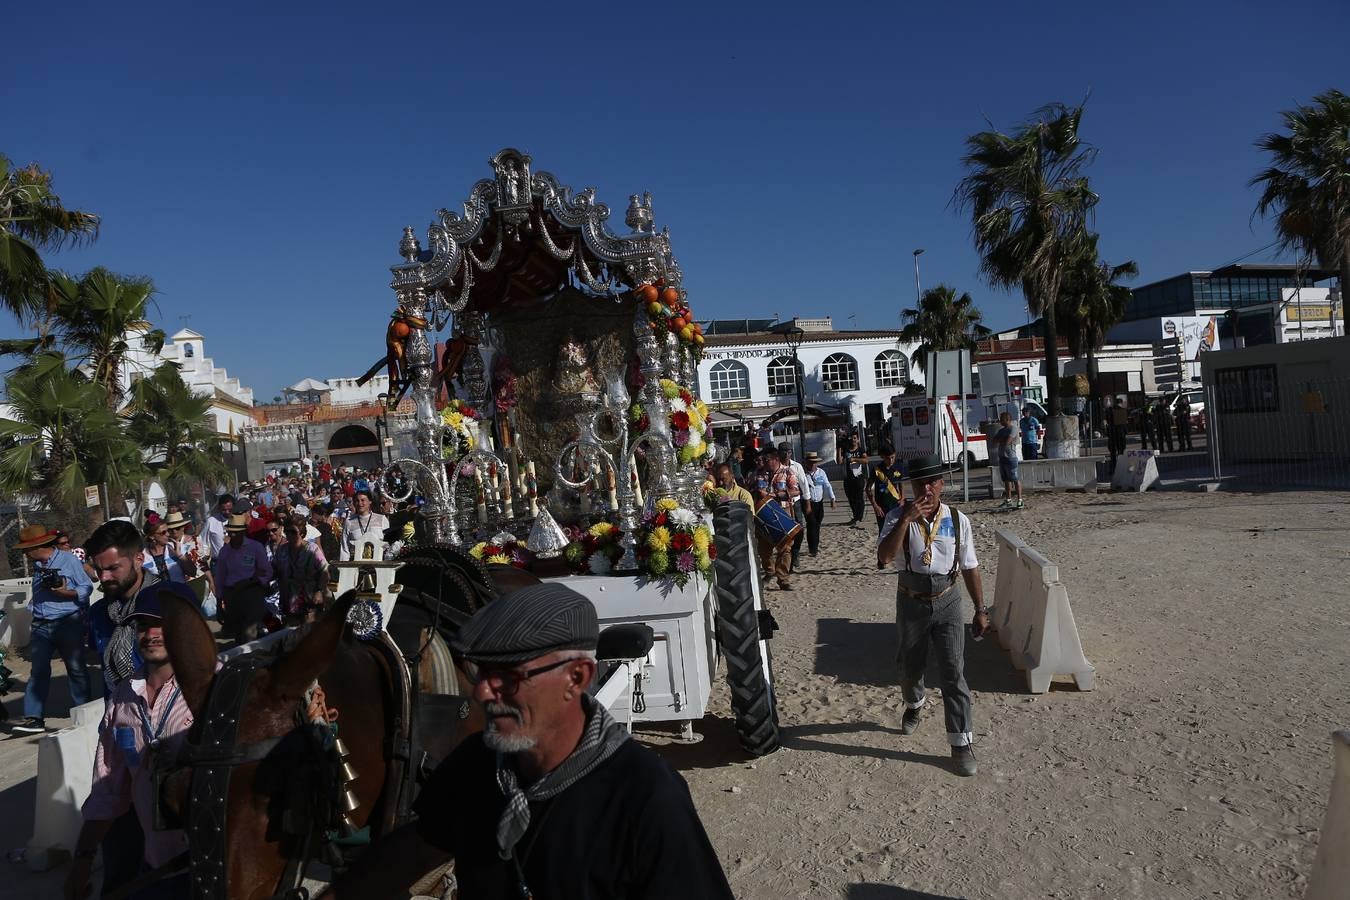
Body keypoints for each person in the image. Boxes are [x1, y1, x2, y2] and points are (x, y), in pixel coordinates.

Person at [322, 583, 734, 900]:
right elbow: (415, 848)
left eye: (509, 677)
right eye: (481, 673)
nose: (483, 692)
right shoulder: (477, 765)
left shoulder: (644, 796)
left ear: (576, 679)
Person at [66, 582, 197, 900]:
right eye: (143, 625)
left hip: (211, 866)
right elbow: (108, 788)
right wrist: (82, 860)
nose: (151, 633)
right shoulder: (123, 696)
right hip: (156, 867)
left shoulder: (218, 690)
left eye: (162, 624)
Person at [876, 454, 987, 777]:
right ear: (910, 486)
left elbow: (970, 566)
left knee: (954, 672)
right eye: (919, 483)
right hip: (911, 600)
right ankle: (913, 704)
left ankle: (961, 742)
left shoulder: (957, 518)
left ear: (941, 484)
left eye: (932, 482)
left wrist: (980, 609)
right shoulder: (897, 516)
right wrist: (905, 521)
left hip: (948, 598)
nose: (926, 489)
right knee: (910, 669)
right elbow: (884, 558)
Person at [9, 526, 94, 735]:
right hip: (40, 624)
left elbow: (87, 586)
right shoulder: (37, 565)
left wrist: (67, 593)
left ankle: (85, 715)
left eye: (26, 549)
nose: (24, 554)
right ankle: (34, 719)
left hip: (67, 621)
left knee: (76, 669)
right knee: (38, 671)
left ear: (38, 547)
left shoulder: (69, 560)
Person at [215, 513, 273, 642]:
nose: (232, 535)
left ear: (244, 531)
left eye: (236, 532)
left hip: (251, 593)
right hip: (232, 595)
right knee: (238, 633)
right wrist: (219, 602)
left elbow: (267, 572)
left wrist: (252, 581)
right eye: (231, 532)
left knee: (249, 632)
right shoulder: (225, 551)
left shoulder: (256, 547)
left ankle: (250, 658)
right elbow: (220, 577)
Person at [753, 452, 799, 591]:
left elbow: (796, 491)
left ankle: (783, 579)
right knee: (764, 549)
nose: (764, 462)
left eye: (766, 459)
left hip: (782, 512)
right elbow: (757, 491)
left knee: (785, 549)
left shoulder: (788, 472)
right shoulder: (760, 474)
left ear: (775, 459)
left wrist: (774, 495)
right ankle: (769, 571)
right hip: (764, 514)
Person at [275, 513, 327, 621]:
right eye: (287, 531)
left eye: (293, 532)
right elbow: (275, 569)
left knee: (309, 634)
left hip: (309, 599)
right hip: (288, 599)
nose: (289, 535)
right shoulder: (282, 550)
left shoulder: (313, 549)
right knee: (290, 634)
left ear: (302, 532)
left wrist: (319, 591)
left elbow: (324, 571)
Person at [777, 444, 812, 571]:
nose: (786, 454)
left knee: (799, 530)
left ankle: (795, 553)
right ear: (779, 452)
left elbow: (804, 485)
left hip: (795, 502)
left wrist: (807, 504)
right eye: (784, 451)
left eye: (789, 451)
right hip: (780, 503)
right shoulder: (776, 466)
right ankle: (785, 560)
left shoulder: (797, 466)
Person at [801, 451, 835, 557]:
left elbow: (827, 485)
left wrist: (832, 499)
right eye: (810, 462)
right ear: (806, 463)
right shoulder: (803, 474)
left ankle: (815, 546)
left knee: (817, 524)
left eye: (814, 462)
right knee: (811, 524)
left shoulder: (821, 473)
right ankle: (813, 549)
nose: (812, 465)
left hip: (819, 502)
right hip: (808, 502)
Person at [340, 490, 389, 561]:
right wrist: (344, 568)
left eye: (363, 500)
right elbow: (345, 547)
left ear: (370, 501)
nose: (360, 503)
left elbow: (387, 543)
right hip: (356, 564)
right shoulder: (349, 522)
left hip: (379, 563)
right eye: (357, 501)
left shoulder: (381, 519)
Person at [865, 447, 905, 532]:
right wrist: (875, 506)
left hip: (895, 504)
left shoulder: (897, 468)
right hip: (881, 507)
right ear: (882, 457)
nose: (891, 460)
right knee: (883, 531)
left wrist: (902, 498)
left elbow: (900, 482)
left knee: (897, 531)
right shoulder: (876, 470)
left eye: (892, 457)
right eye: (888, 458)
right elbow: (868, 489)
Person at [142, 519, 190, 584]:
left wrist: (180, 556)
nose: (168, 534)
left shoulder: (176, 547)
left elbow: (192, 572)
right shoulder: (142, 556)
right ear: (152, 536)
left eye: (168, 530)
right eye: (163, 532)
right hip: (158, 593)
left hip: (180, 592)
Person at [993, 411, 1023, 510]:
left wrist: (1002, 439)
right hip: (1002, 457)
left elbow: (1007, 441)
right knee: (1006, 480)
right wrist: (1002, 439)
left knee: (1015, 478)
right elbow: (994, 440)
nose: (1000, 421)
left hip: (1011, 457)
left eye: (1002, 419)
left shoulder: (1013, 428)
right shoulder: (1002, 430)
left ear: (1007, 419)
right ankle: (1008, 500)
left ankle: (1020, 500)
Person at [842, 433, 868, 526]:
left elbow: (865, 460)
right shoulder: (846, 450)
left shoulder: (860, 450)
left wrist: (854, 459)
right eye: (851, 438)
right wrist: (838, 449)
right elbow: (840, 461)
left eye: (854, 438)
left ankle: (859, 517)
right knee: (851, 498)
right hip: (848, 477)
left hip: (858, 476)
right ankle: (855, 516)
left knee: (859, 498)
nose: (853, 440)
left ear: (857, 440)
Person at [202, 494, 233, 563]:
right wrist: (205, 556)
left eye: (230, 509)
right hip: (217, 563)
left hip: (235, 562)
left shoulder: (239, 520)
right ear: (219, 508)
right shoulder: (211, 521)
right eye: (224, 510)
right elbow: (203, 542)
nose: (227, 512)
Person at [1107, 398, 1129, 470]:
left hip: (1112, 434)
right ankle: (1121, 467)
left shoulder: (1110, 410)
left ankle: (1112, 468)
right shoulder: (1122, 411)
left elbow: (1108, 421)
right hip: (1120, 434)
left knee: (1113, 453)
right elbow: (1124, 424)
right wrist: (1126, 432)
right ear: (1121, 403)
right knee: (1121, 451)